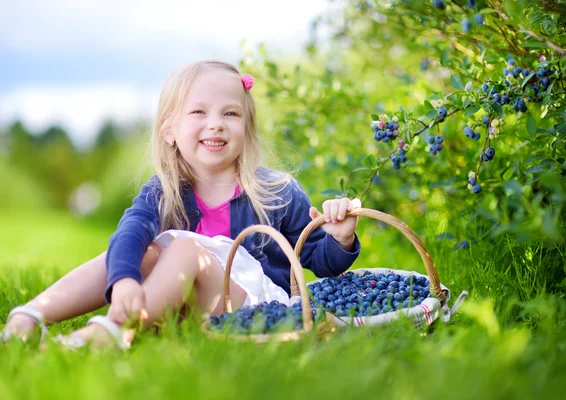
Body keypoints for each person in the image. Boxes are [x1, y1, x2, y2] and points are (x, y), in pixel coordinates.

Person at [2, 60, 361, 348]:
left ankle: (111, 331)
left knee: (185, 248)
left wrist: (340, 239)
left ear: (247, 127)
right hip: (185, 308)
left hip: (256, 308)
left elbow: (319, 261)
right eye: (199, 113)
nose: (216, 125)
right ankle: (31, 314)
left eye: (231, 114)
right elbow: (128, 234)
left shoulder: (277, 191)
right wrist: (125, 279)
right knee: (143, 251)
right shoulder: (164, 191)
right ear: (169, 130)